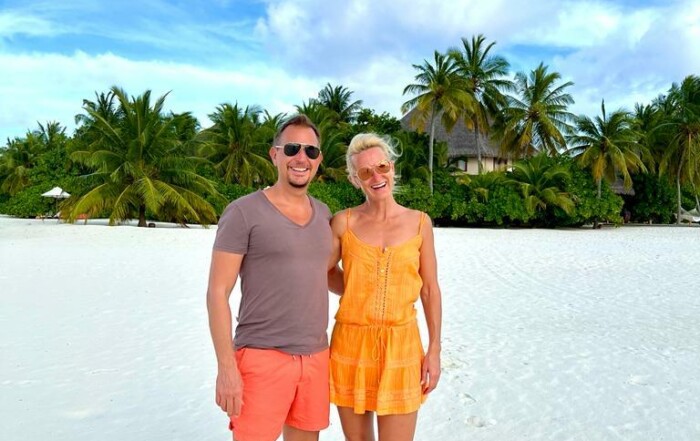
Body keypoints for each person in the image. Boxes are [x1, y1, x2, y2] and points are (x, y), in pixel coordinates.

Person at [206, 114, 332, 441]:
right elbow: (218, 292)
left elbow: (326, 275)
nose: (301, 158)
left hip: (317, 357)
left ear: (319, 160)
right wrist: (226, 368)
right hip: (261, 357)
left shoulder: (324, 215)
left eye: (311, 151)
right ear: (274, 155)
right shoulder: (243, 211)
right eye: (292, 148)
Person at [327, 133, 442, 441]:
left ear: (392, 168)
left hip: (402, 345)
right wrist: (357, 289)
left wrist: (434, 350)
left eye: (382, 167)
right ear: (354, 180)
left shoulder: (420, 223)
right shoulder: (342, 223)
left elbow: (429, 289)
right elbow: (322, 270)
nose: (376, 176)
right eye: (365, 172)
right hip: (351, 344)